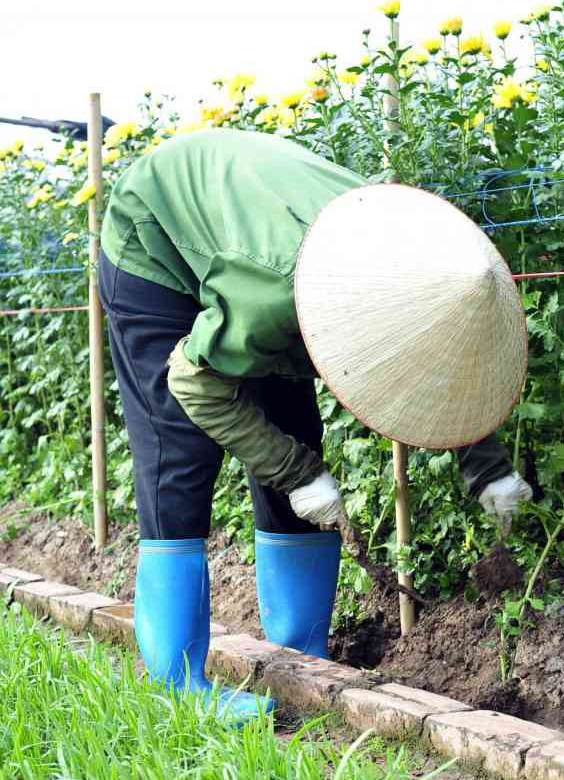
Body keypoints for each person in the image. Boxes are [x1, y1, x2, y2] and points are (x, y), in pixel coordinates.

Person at [98, 128, 532, 724]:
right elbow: (193, 382)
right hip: (155, 237)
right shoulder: (280, 290)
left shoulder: (422, 263)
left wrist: (486, 462)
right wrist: (297, 474)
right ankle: (181, 688)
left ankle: (301, 655)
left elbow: (432, 353)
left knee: (293, 420)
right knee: (180, 448)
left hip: (266, 239)